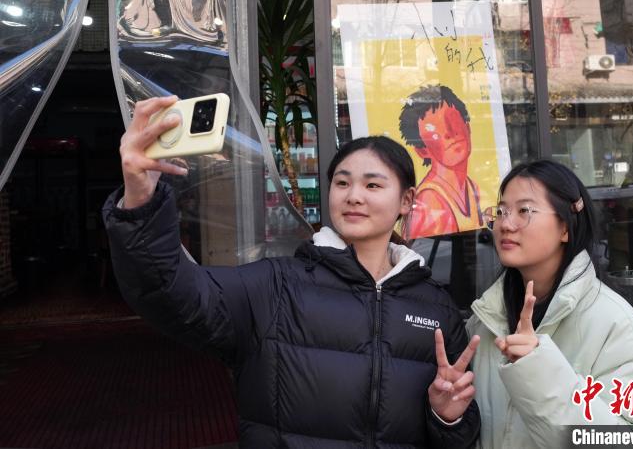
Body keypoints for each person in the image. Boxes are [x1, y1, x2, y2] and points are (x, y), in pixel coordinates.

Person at [102, 95, 481, 448]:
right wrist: (140, 198)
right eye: (342, 182)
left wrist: (447, 417)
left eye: (372, 184)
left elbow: (458, 436)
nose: (353, 196)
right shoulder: (275, 286)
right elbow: (170, 292)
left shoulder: (436, 309)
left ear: (406, 200)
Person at [467, 159, 633, 449]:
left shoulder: (617, 326)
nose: (505, 224)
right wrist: (446, 418)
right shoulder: (485, 319)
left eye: (524, 211)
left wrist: (538, 372)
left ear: (565, 227)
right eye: (501, 211)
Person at [398, 84, 483, 239]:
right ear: (422, 151)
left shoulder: (473, 187)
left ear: (468, 127)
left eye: (453, 120)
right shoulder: (429, 203)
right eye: (434, 131)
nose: (449, 133)